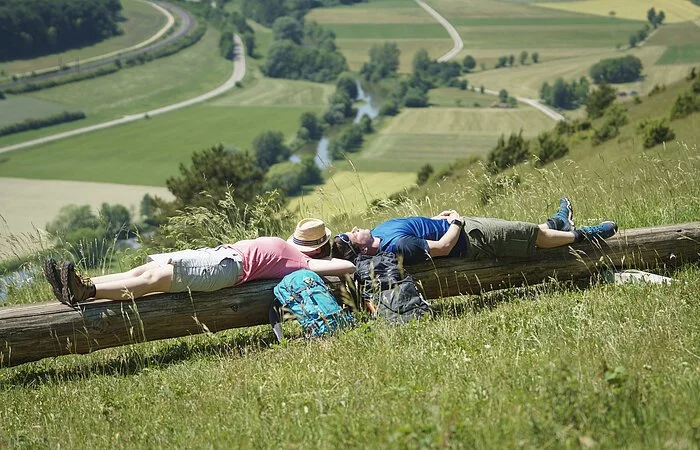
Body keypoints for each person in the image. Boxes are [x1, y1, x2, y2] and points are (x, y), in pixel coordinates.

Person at [43, 218, 356, 305]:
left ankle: (86, 293)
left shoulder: (302, 261)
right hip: (217, 255)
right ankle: (79, 283)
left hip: (225, 269)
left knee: (153, 281)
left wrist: (340, 260)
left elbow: (348, 267)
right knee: (144, 269)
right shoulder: (292, 248)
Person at [331, 198, 618, 264]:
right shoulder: (395, 248)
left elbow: (416, 225)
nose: (355, 228)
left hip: (464, 227)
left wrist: (437, 217)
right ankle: (586, 235)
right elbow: (442, 247)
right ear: (360, 248)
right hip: (470, 239)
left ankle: (561, 222)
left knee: (525, 230)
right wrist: (456, 222)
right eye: (351, 234)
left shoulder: (382, 230)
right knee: (532, 237)